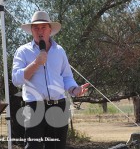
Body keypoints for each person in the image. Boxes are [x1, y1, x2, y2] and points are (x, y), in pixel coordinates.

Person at [12, 11, 89, 149]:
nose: (40, 31)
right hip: (34, 107)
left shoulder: (59, 51)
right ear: (31, 30)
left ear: (50, 30)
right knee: (33, 146)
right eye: (36, 28)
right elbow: (16, 80)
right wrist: (36, 63)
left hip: (58, 107)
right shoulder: (23, 51)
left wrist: (74, 89)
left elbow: (66, 77)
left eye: (43, 27)